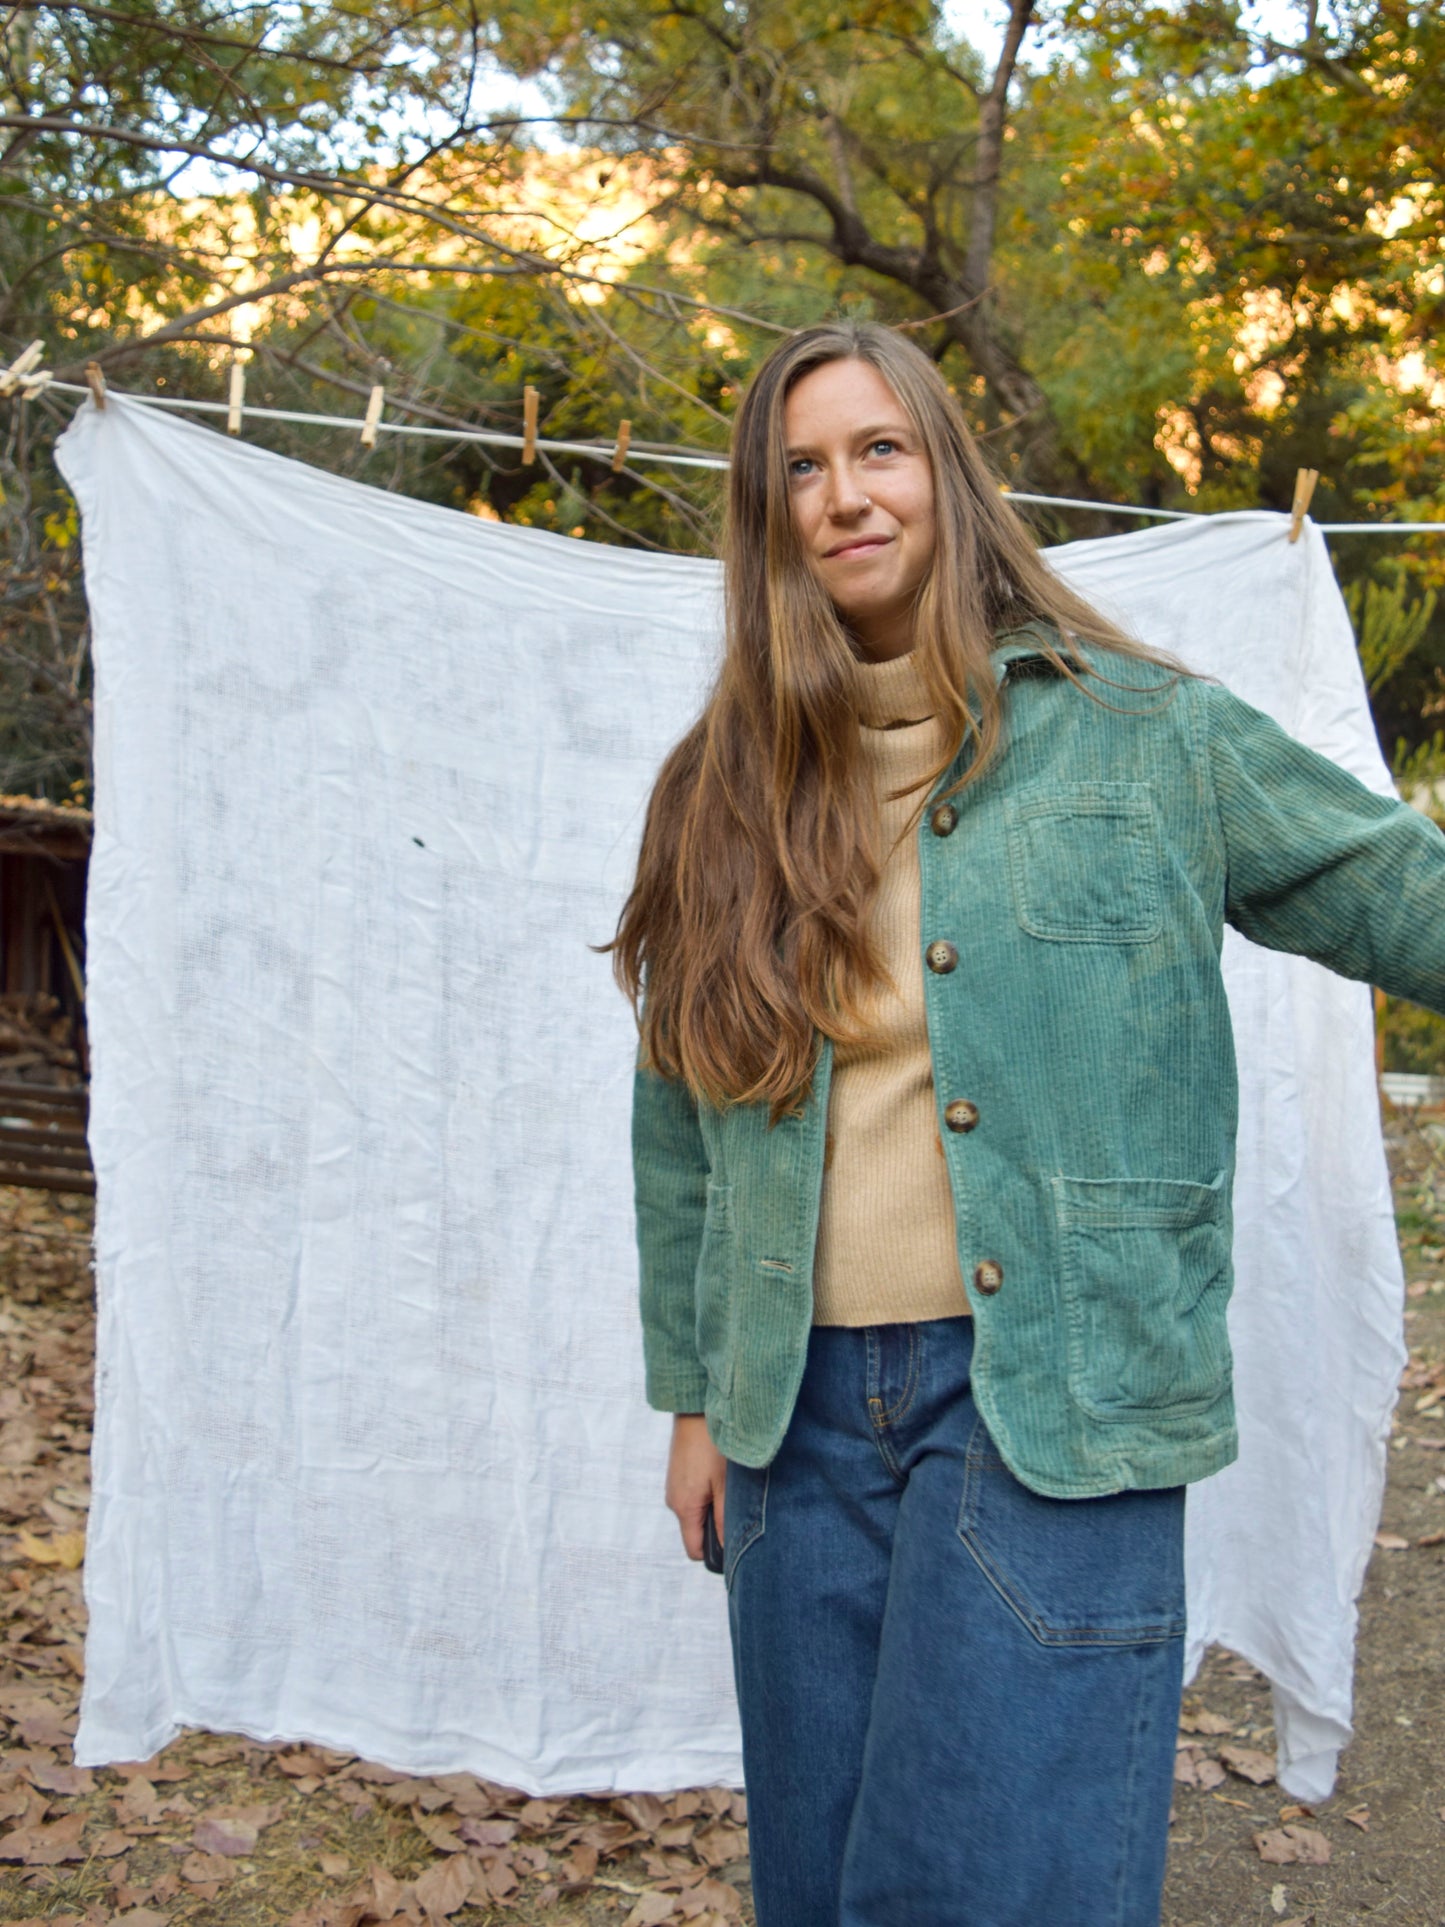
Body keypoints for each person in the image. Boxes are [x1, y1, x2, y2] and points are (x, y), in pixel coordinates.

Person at [608, 320, 1445, 1926]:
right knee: (835, 1888)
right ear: (761, 516)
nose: (842, 495)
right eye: (798, 467)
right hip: (791, 1420)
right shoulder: (716, 788)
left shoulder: (1146, 739)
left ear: (943, 474)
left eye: (877, 450)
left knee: (1001, 1889)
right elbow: (678, 1119)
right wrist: (693, 1398)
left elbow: (1394, 891)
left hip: (1046, 1396)